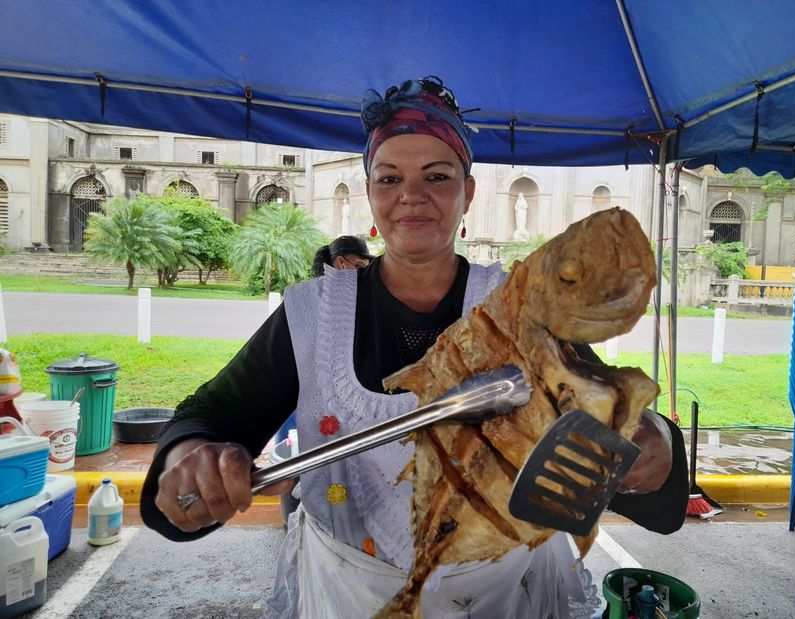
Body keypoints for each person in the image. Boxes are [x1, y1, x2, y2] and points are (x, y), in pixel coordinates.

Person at [140, 76, 688, 618]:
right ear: (370, 193)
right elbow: (210, 417)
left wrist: (654, 442)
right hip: (343, 596)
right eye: (389, 178)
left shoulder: (521, 311)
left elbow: (615, 431)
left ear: (467, 192)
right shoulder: (313, 312)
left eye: (437, 176)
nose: (411, 196)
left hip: (502, 598)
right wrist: (191, 460)